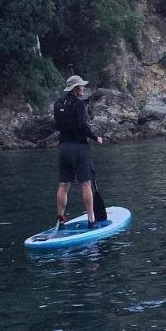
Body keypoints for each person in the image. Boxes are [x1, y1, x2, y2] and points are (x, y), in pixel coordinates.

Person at [54, 75, 103, 229]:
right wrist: (96, 138)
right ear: (75, 89)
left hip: (63, 149)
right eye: (81, 86)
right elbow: (82, 125)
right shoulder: (79, 104)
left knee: (63, 185)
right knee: (86, 184)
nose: (83, 88)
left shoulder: (58, 103)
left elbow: (57, 124)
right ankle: (91, 219)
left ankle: (61, 219)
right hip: (79, 149)